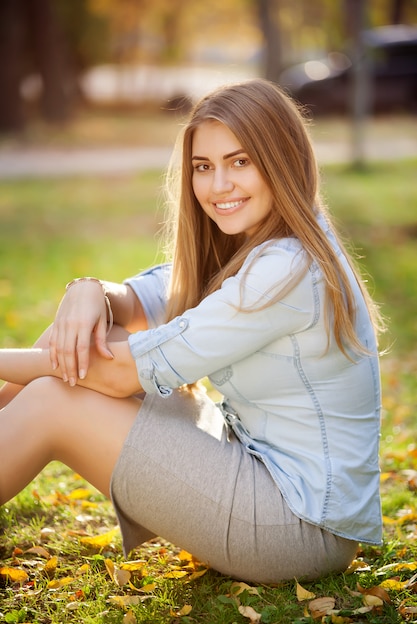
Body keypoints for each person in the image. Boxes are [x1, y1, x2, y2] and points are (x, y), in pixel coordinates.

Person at [0, 78, 385, 584]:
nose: (218, 185)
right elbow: (147, 299)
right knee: (80, 334)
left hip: (300, 528)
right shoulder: (260, 239)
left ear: (283, 159)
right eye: (204, 167)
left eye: (240, 161)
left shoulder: (287, 270)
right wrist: (88, 290)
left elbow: (120, 376)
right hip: (263, 473)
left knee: (56, 398)